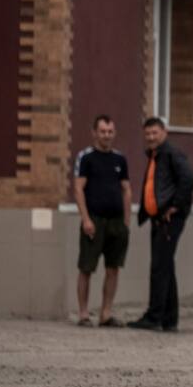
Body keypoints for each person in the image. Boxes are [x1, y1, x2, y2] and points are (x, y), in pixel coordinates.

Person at [128, 118, 193, 332]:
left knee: (159, 266)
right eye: (147, 134)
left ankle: (154, 316)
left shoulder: (171, 154)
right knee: (166, 266)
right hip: (157, 218)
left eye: (154, 133)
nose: (150, 137)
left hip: (169, 219)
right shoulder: (155, 155)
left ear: (164, 132)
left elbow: (189, 178)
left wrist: (175, 206)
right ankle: (169, 319)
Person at [73, 115, 132, 327]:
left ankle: (106, 314)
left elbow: (126, 190)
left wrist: (126, 221)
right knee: (86, 268)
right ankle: (83, 313)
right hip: (94, 221)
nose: (107, 135)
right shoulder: (86, 157)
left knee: (113, 268)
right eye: (103, 131)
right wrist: (86, 219)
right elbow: (78, 188)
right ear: (94, 133)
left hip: (116, 222)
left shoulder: (120, 159)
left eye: (110, 131)